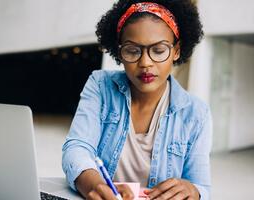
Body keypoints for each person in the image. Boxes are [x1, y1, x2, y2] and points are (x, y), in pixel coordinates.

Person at [62, 0, 212, 199]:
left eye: (158, 50)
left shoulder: (196, 113)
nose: (145, 62)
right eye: (132, 51)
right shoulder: (100, 86)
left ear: (176, 51)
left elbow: (202, 186)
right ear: (119, 52)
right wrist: (95, 186)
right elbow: (77, 147)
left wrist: (194, 191)